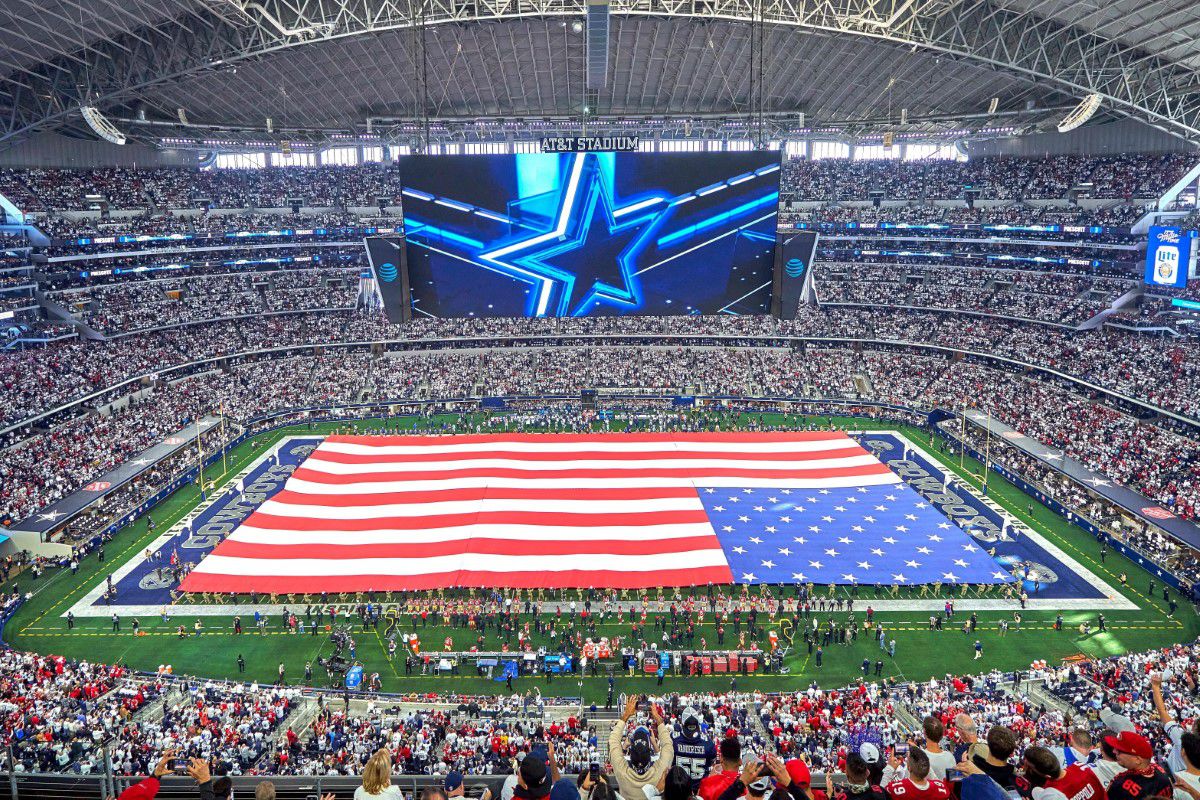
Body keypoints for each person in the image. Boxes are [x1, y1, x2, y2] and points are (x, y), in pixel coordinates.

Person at [610, 696, 674, 798]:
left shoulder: (622, 771)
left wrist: (626, 714)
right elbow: (668, 745)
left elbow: (613, 740)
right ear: (649, 752)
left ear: (630, 753)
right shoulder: (659, 771)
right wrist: (657, 717)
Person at [1103, 731, 1171, 800]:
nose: (1114, 751)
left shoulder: (1120, 785)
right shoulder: (1161, 772)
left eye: (1119, 750)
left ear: (1137, 760)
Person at [1021, 746, 1106, 800]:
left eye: (1029, 767)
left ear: (1046, 776)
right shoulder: (1081, 766)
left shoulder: (1053, 794)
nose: (1025, 768)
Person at [882, 748, 950, 800]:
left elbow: (880, 795)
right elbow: (934, 780)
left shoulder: (895, 789)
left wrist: (890, 768)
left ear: (909, 767)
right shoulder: (941, 788)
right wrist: (922, 758)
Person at [673, 707, 717, 787]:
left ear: (682, 724)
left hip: (678, 789)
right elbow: (712, 762)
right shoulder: (707, 742)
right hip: (700, 791)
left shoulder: (674, 740)